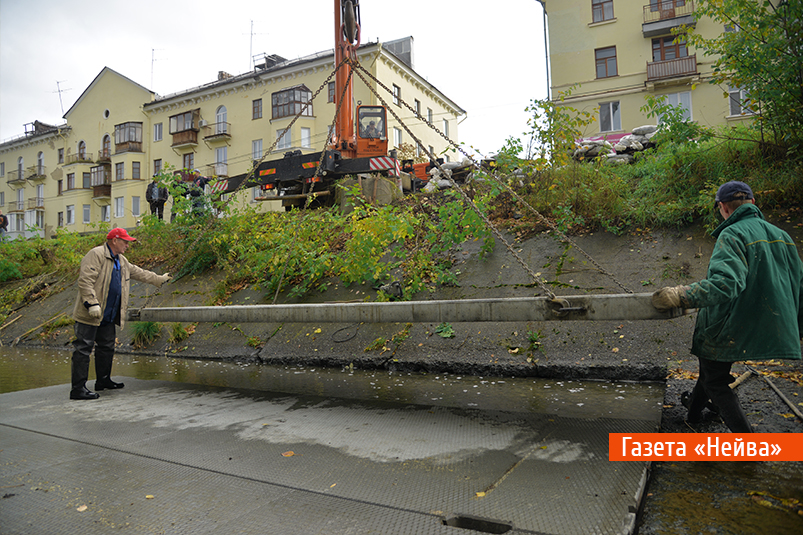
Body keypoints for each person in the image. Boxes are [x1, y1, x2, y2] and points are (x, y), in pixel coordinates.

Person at [652, 181, 803, 432]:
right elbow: (799, 286)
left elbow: (726, 284)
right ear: (753, 203)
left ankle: (747, 446)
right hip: (764, 323)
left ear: (722, 207)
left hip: (729, 326)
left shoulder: (732, 234)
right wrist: (795, 329)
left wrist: (681, 295)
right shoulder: (783, 237)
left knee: (716, 381)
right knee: (710, 372)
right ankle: (693, 413)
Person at [70, 228, 170, 400]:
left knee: (106, 348)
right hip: (91, 313)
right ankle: (78, 389)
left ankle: (103, 381)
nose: (127, 245)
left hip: (108, 314)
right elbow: (85, 280)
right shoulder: (97, 254)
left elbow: (139, 272)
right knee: (83, 349)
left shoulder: (121, 260)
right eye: (125, 242)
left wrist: (158, 279)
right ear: (114, 240)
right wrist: (91, 303)